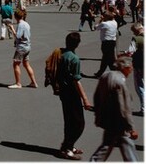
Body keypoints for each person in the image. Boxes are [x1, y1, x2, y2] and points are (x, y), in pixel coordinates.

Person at [89, 55, 138, 161]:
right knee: (127, 148)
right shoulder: (120, 83)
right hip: (119, 123)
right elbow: (124, 108)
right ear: (125, 67)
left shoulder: (106, 75)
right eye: (131, 67)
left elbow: (96, 96)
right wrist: (131, 128)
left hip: (109, 120)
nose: (131, 69)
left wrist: (98, 114)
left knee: (107, 146)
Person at [57, 32, 93, 160]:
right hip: (72, 93)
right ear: (77, 44)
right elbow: (76, 81)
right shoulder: (74, 59)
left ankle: (68, 145)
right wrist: (85, 99)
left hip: (63, 92)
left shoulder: (61, 54)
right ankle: (66, 147)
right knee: (78, 123)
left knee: (69, 121)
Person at [7, 9, 38, 88]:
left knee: (16, 64)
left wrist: (12, 28)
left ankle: (18, 83)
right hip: (27, 45)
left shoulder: (21, 25)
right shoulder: (26, 24)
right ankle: (33, 82)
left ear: (15, 16)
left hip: (22, 47)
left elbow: (18, 36)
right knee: (26, 64)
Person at [94, 11, 119, 78]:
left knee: (106, 58)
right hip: (112, 42)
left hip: (106, 42)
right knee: (108, 58)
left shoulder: (104, 24)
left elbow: (95, 27)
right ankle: (101, 72)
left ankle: (103, 72)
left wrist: (101, 20)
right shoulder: (115, 22)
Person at [130, 22, 144, 115]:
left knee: (140, 86)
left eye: (134, 31)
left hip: (140, 64)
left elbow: (131, 51)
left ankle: (144, 108)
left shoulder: (136, 39)